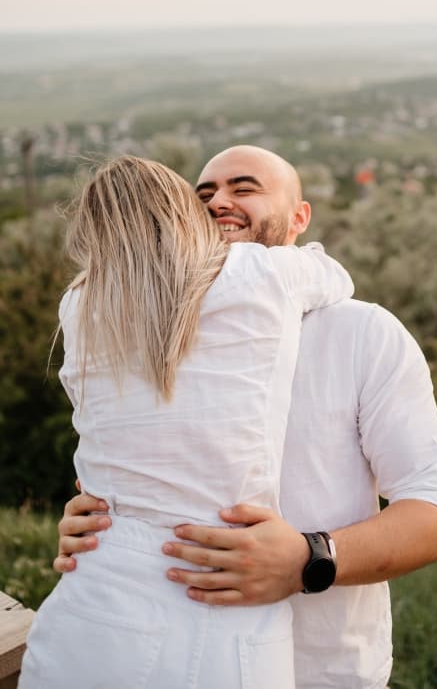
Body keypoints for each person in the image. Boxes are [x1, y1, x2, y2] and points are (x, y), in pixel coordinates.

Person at [55, 145, 437, 689]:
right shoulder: (151, 331)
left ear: (300, 218)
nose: (219, 201)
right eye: (202, 196)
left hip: (327, 673)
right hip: (153, 657)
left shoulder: (364, 333)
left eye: (244, 188)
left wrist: (308, 559)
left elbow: (436, 515)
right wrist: (101, 528)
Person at [20, 154, 353, 689]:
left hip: (91, 582)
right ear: (184, 215)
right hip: (212, 585)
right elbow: (334, 275)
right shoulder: (262, 273)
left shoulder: (78, 305)